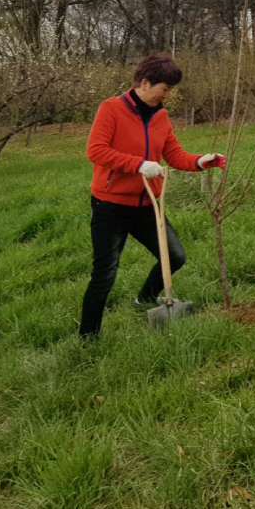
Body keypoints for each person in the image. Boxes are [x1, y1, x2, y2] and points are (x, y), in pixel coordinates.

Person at [80, 54, 225, 338]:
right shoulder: (111, 109)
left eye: (170, 90)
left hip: (147, 205)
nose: (167, 96)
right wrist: (137, 164)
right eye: (165, 89)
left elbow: (173, 154)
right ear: (145, 83)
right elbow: (95, 150)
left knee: (175, 256)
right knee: (105, 274)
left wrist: (200, 161)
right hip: (110, 205)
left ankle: (145, 298)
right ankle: (87, 338)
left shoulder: (161, 116)